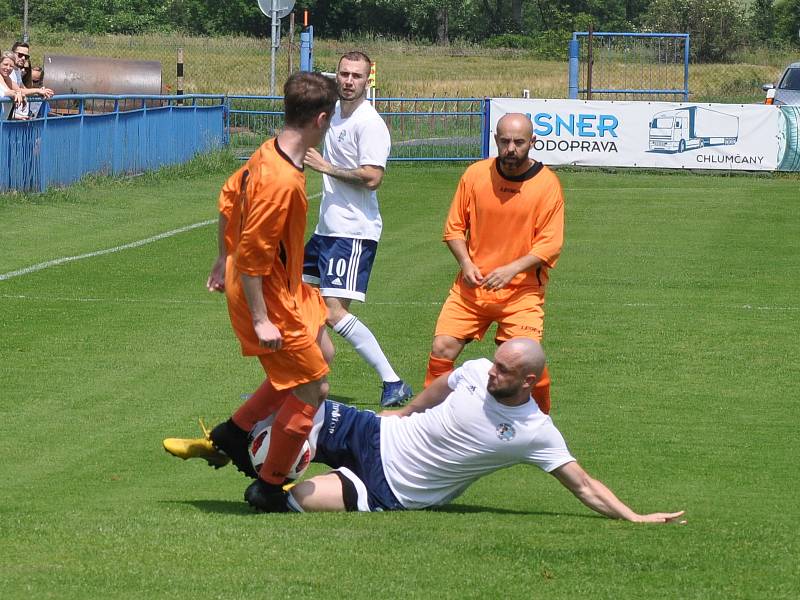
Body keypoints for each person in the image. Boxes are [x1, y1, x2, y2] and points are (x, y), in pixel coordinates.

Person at [165, 339, 685, 522]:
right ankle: (223, 443)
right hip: (374, 433)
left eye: (504, 372)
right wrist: (405, 412)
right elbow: (439, 389)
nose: (491, 373)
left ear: (529, 381)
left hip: (389, 489)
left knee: (271, 499)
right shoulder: (479, 368)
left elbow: (584, 485)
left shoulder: (535, 431)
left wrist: (634, 517)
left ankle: (245, 461)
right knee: (308, 388)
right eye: (495, 364)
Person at [164, 71, 340, 513]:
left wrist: (222, 258)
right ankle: (268, 486)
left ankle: (233, 433)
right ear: (321, 119)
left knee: (324, 349)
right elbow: (257, 255)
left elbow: (227, 197)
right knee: (312, 387)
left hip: (284, 286)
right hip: (267, 293)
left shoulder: (267, 152)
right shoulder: (280, 181)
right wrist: (261, 318)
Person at [423, 112, 565, 415]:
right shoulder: (475, 175)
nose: (511, 148)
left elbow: (550, 244)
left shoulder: (547, 185)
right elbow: (454, 228)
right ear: (496, 140)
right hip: (472, 289)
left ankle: (540, 425)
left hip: (522, 293)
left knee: (528, 362)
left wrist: (512, 269)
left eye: (518, 142)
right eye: (504, 141)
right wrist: (465, 262)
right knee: (441, 349)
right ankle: (431, 419)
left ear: (532, 142)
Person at [302, 51, 412, 409]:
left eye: (356, 76)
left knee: (332, 312)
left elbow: (373, 178)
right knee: (296, 300)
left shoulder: (370, 123)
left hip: (354, 232)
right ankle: (297, 381)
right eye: (344, 74)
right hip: (326, 229)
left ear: (368, 81)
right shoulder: (333, 112)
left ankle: (392, 381)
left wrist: (325, 167)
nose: (349, 81)